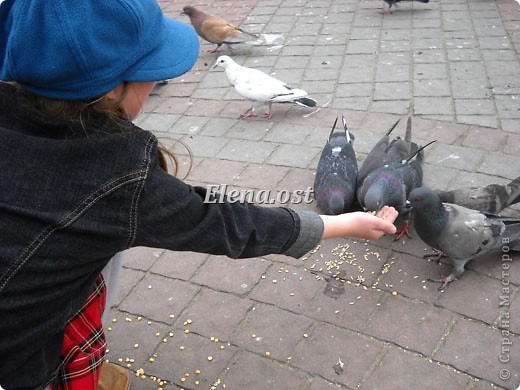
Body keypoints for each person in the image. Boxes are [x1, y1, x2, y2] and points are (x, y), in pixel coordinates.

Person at [0, 0, 398, 389]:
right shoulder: (117, 178)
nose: (157, 82)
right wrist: (342, 223)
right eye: (151, 71)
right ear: (111, 90)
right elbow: (226, 223)